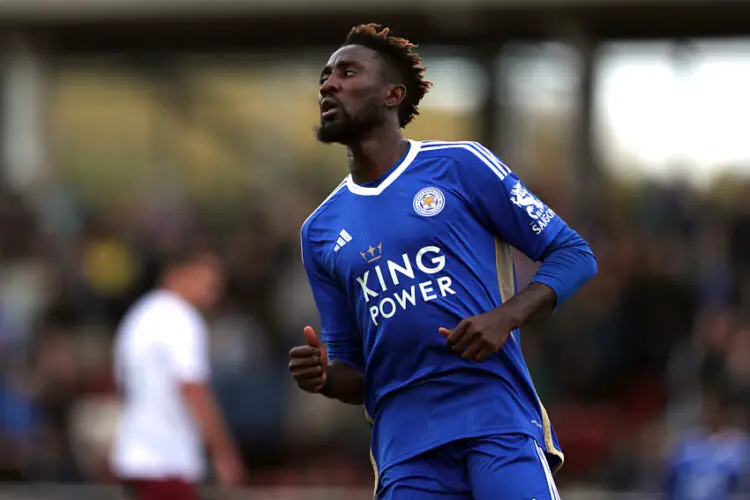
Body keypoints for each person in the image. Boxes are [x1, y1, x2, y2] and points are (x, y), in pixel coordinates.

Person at [288, 23, 597, 500]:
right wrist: (326, 378)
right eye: (325, 77)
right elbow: (355, 372)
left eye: (347, 72)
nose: (328, 84)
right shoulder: (319, 230)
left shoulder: (461, 165)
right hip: (405, 447)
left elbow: (574, 254)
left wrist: (504, 318)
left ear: (393, 94)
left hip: (494, 417)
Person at [110, 243, 245, 500]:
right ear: (178, 274)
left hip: (135, 451)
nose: (214, 292)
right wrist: (223, 452)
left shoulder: (140, 314)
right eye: (207, 282)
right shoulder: (180, 319)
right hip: (167, 458)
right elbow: (193, 389)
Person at [665, 387, 750, 500]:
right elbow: (670, 479)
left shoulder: (738, 443)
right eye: (704, 410)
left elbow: (742, 483)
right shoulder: (686, 441)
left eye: (713, 410)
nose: (708, 415)